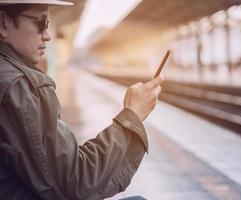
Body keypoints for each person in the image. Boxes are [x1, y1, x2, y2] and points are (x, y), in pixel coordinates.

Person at [0, 1, 164, 199]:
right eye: (41, 23)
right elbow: (76, 182)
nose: (47, 35)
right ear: (3, 23)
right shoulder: (20, 87)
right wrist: (132, 116)